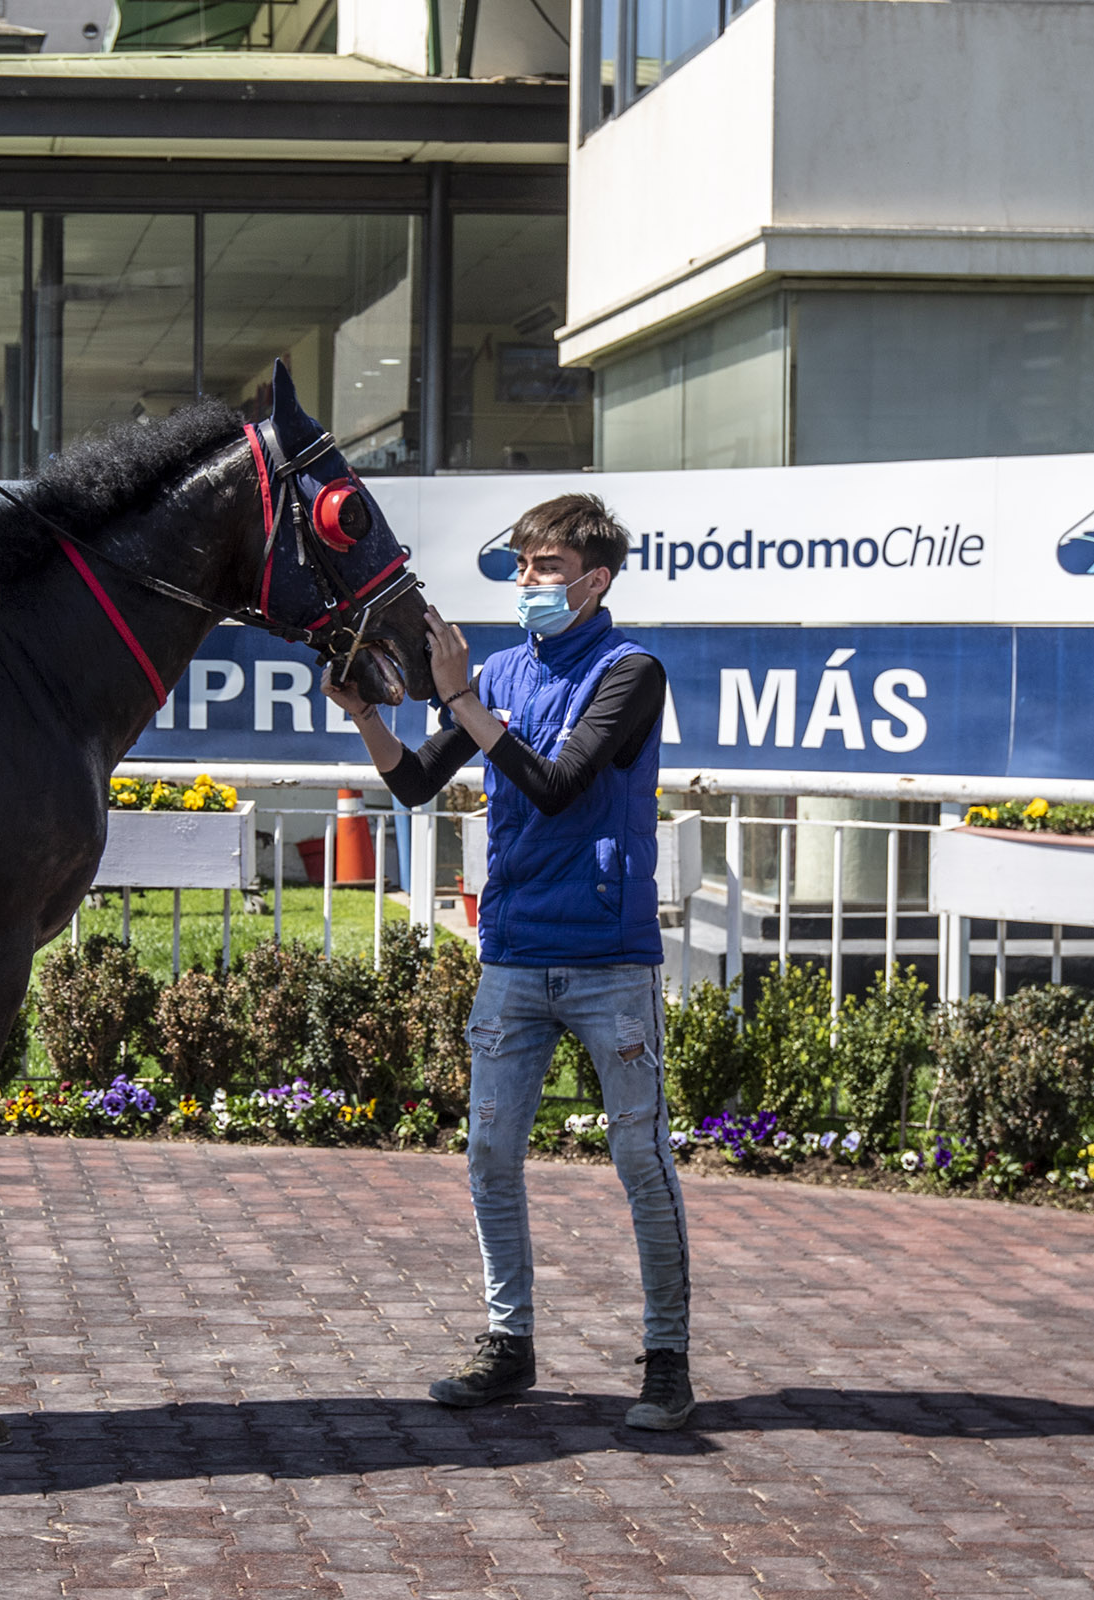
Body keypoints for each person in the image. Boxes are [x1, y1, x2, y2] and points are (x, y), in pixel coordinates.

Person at [325, 492, 695, 1431]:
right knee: (490, 1154)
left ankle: (666, 1360)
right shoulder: (499, 672)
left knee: (640, 1159)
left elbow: (560, 786)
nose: (527, 581)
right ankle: (508, 1342)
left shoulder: (632, 671)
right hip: (514, 954)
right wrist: (367, 715)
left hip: (609, 958)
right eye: (523, 565)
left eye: (547, 568)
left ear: (595, 581)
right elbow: (416, 781)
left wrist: (460, 699)